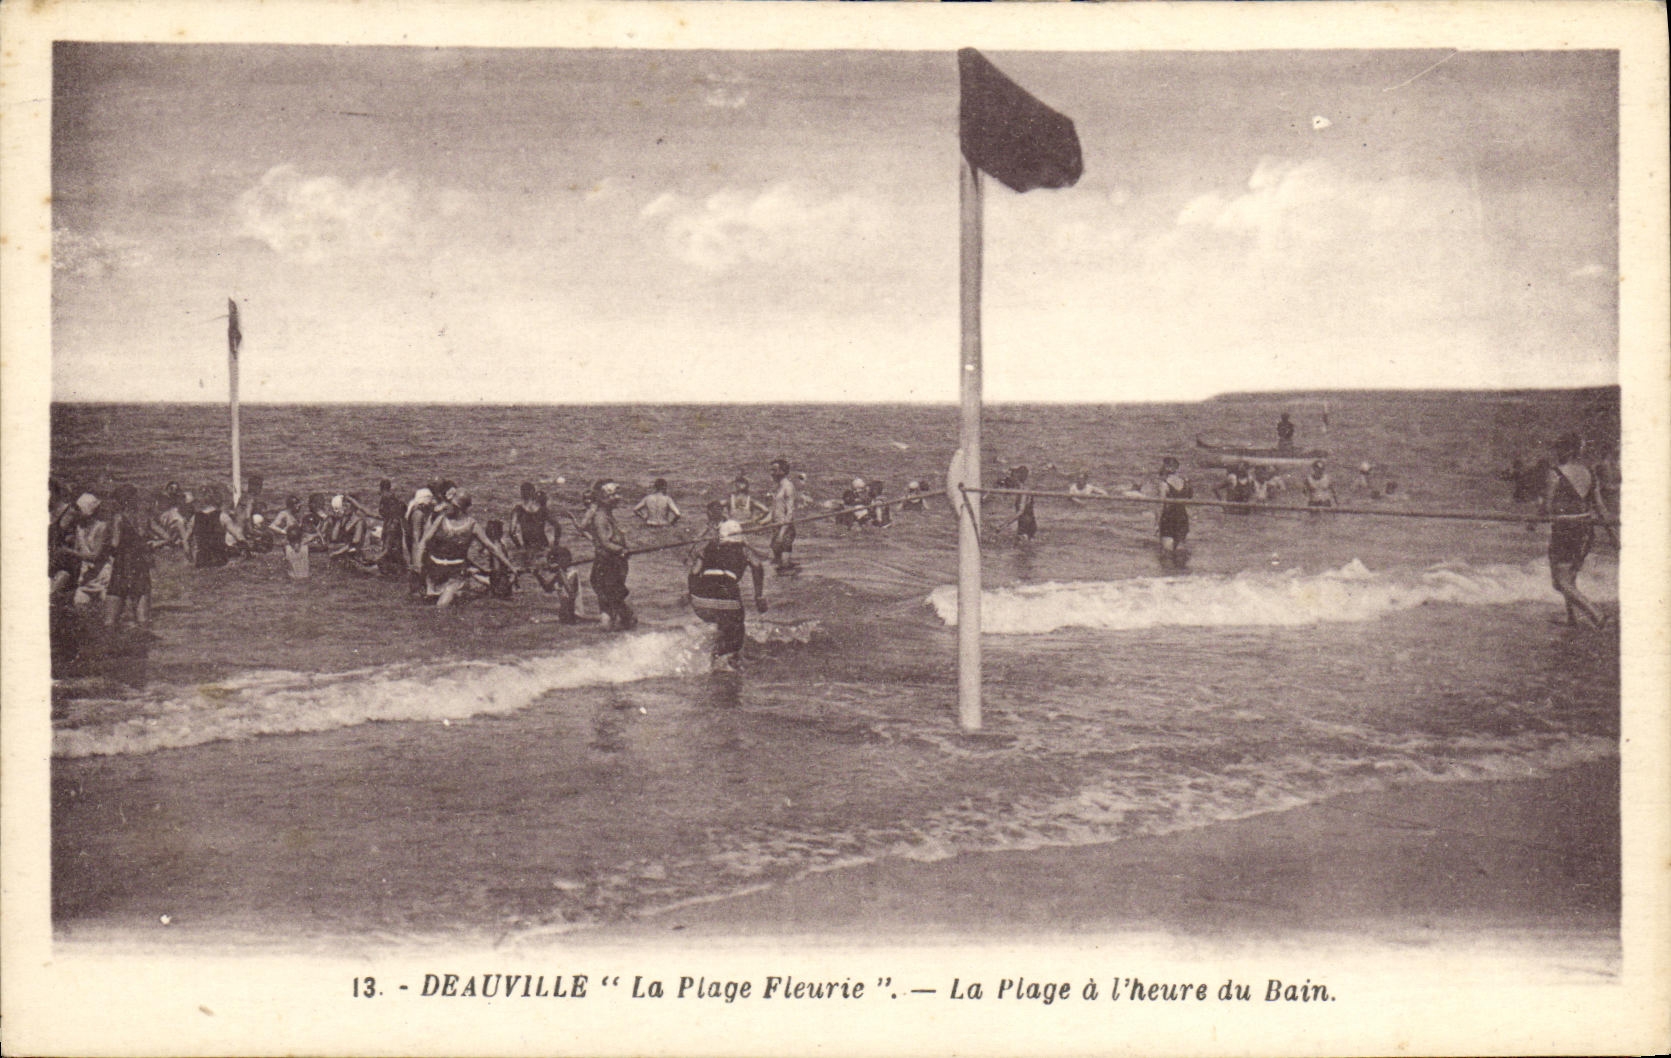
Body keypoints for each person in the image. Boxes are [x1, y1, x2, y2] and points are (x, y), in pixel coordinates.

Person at [1541, 432, 1609, 628]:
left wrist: (1534, 517)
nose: (1556, 452)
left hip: (1565, 529)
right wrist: (1613, 536)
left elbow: (1546, 506)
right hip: (1586, 529)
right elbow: (1601, 508)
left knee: (1560, 582)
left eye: (1559, 448)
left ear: (1568, 450)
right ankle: (1572, 618)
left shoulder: (1555, 473)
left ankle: (1596, 614)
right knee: (1569, 578)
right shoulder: (1590, 472)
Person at [413, 490, 519, 609]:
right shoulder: (441, 519)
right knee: (424, 605)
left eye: (451, 504)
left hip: (456, 572)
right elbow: (424, 541)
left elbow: (491, 547)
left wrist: (510, 566)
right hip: (434, 570)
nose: (447, 507)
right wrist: (418, 565)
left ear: (458, 507)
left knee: (441, 607)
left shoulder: (472, 525)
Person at [687, 519, 767, 671]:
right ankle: (728, 663)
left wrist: (691, 595)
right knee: (737, 629)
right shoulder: (743, 549)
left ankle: (713, 660)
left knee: (722, 623)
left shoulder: (708, 547)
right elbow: (757, 566)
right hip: (726, 596)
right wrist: (759, 596)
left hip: (700, 600)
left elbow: (694, 572)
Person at [578, 479, 637, 630]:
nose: (617, 498)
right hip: (608, 568)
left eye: (617, 494)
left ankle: (607, 643)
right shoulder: (600, 517)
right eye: (613, 495)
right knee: (622, 613)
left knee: (611, 609)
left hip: (607, 568)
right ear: (603, 498)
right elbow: (605, 543)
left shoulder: (605, 515)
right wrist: (622, 550)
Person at [105, 484, 153, 630]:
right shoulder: (144, 518)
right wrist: (149, 545)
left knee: (110, 622)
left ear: (121, 501)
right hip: (140, 566)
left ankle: (116, 649)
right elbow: (167, 537)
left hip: (122, 566)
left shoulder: (118, 518)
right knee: (142, 620)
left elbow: (115, 544)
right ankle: (143, 648)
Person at [70, 493, 114, 606]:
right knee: (80, 605)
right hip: (86, 576)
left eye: (79, 510)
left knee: (106, 607)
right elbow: (78, 550)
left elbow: (96, 556)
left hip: (103, 575)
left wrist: (69, 552)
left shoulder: (102, 527)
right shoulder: (79, 528)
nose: (75, 513)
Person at [1156, 457, 1192, 568]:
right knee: (1180, 550)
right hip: (1182, 517)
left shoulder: (1164, 484)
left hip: (1168, 518)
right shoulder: (1185, 482)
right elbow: (1189, 497)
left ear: (1167, 467)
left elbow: (1160, 505)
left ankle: (1167, 578)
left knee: (1167, 553)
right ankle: (1182, 575)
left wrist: (1156, 523)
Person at [767, 459, 799, 572]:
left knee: (783, 565)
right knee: (775, 562)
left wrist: (782, 532)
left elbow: (790, 513)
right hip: (776, 527)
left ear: (783, 471)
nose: (771, 473)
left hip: (786, 529)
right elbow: (775, 509)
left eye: (774, 470)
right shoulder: (777, 487)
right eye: (771, 470)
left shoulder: (788, 487)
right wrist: (761, 521)